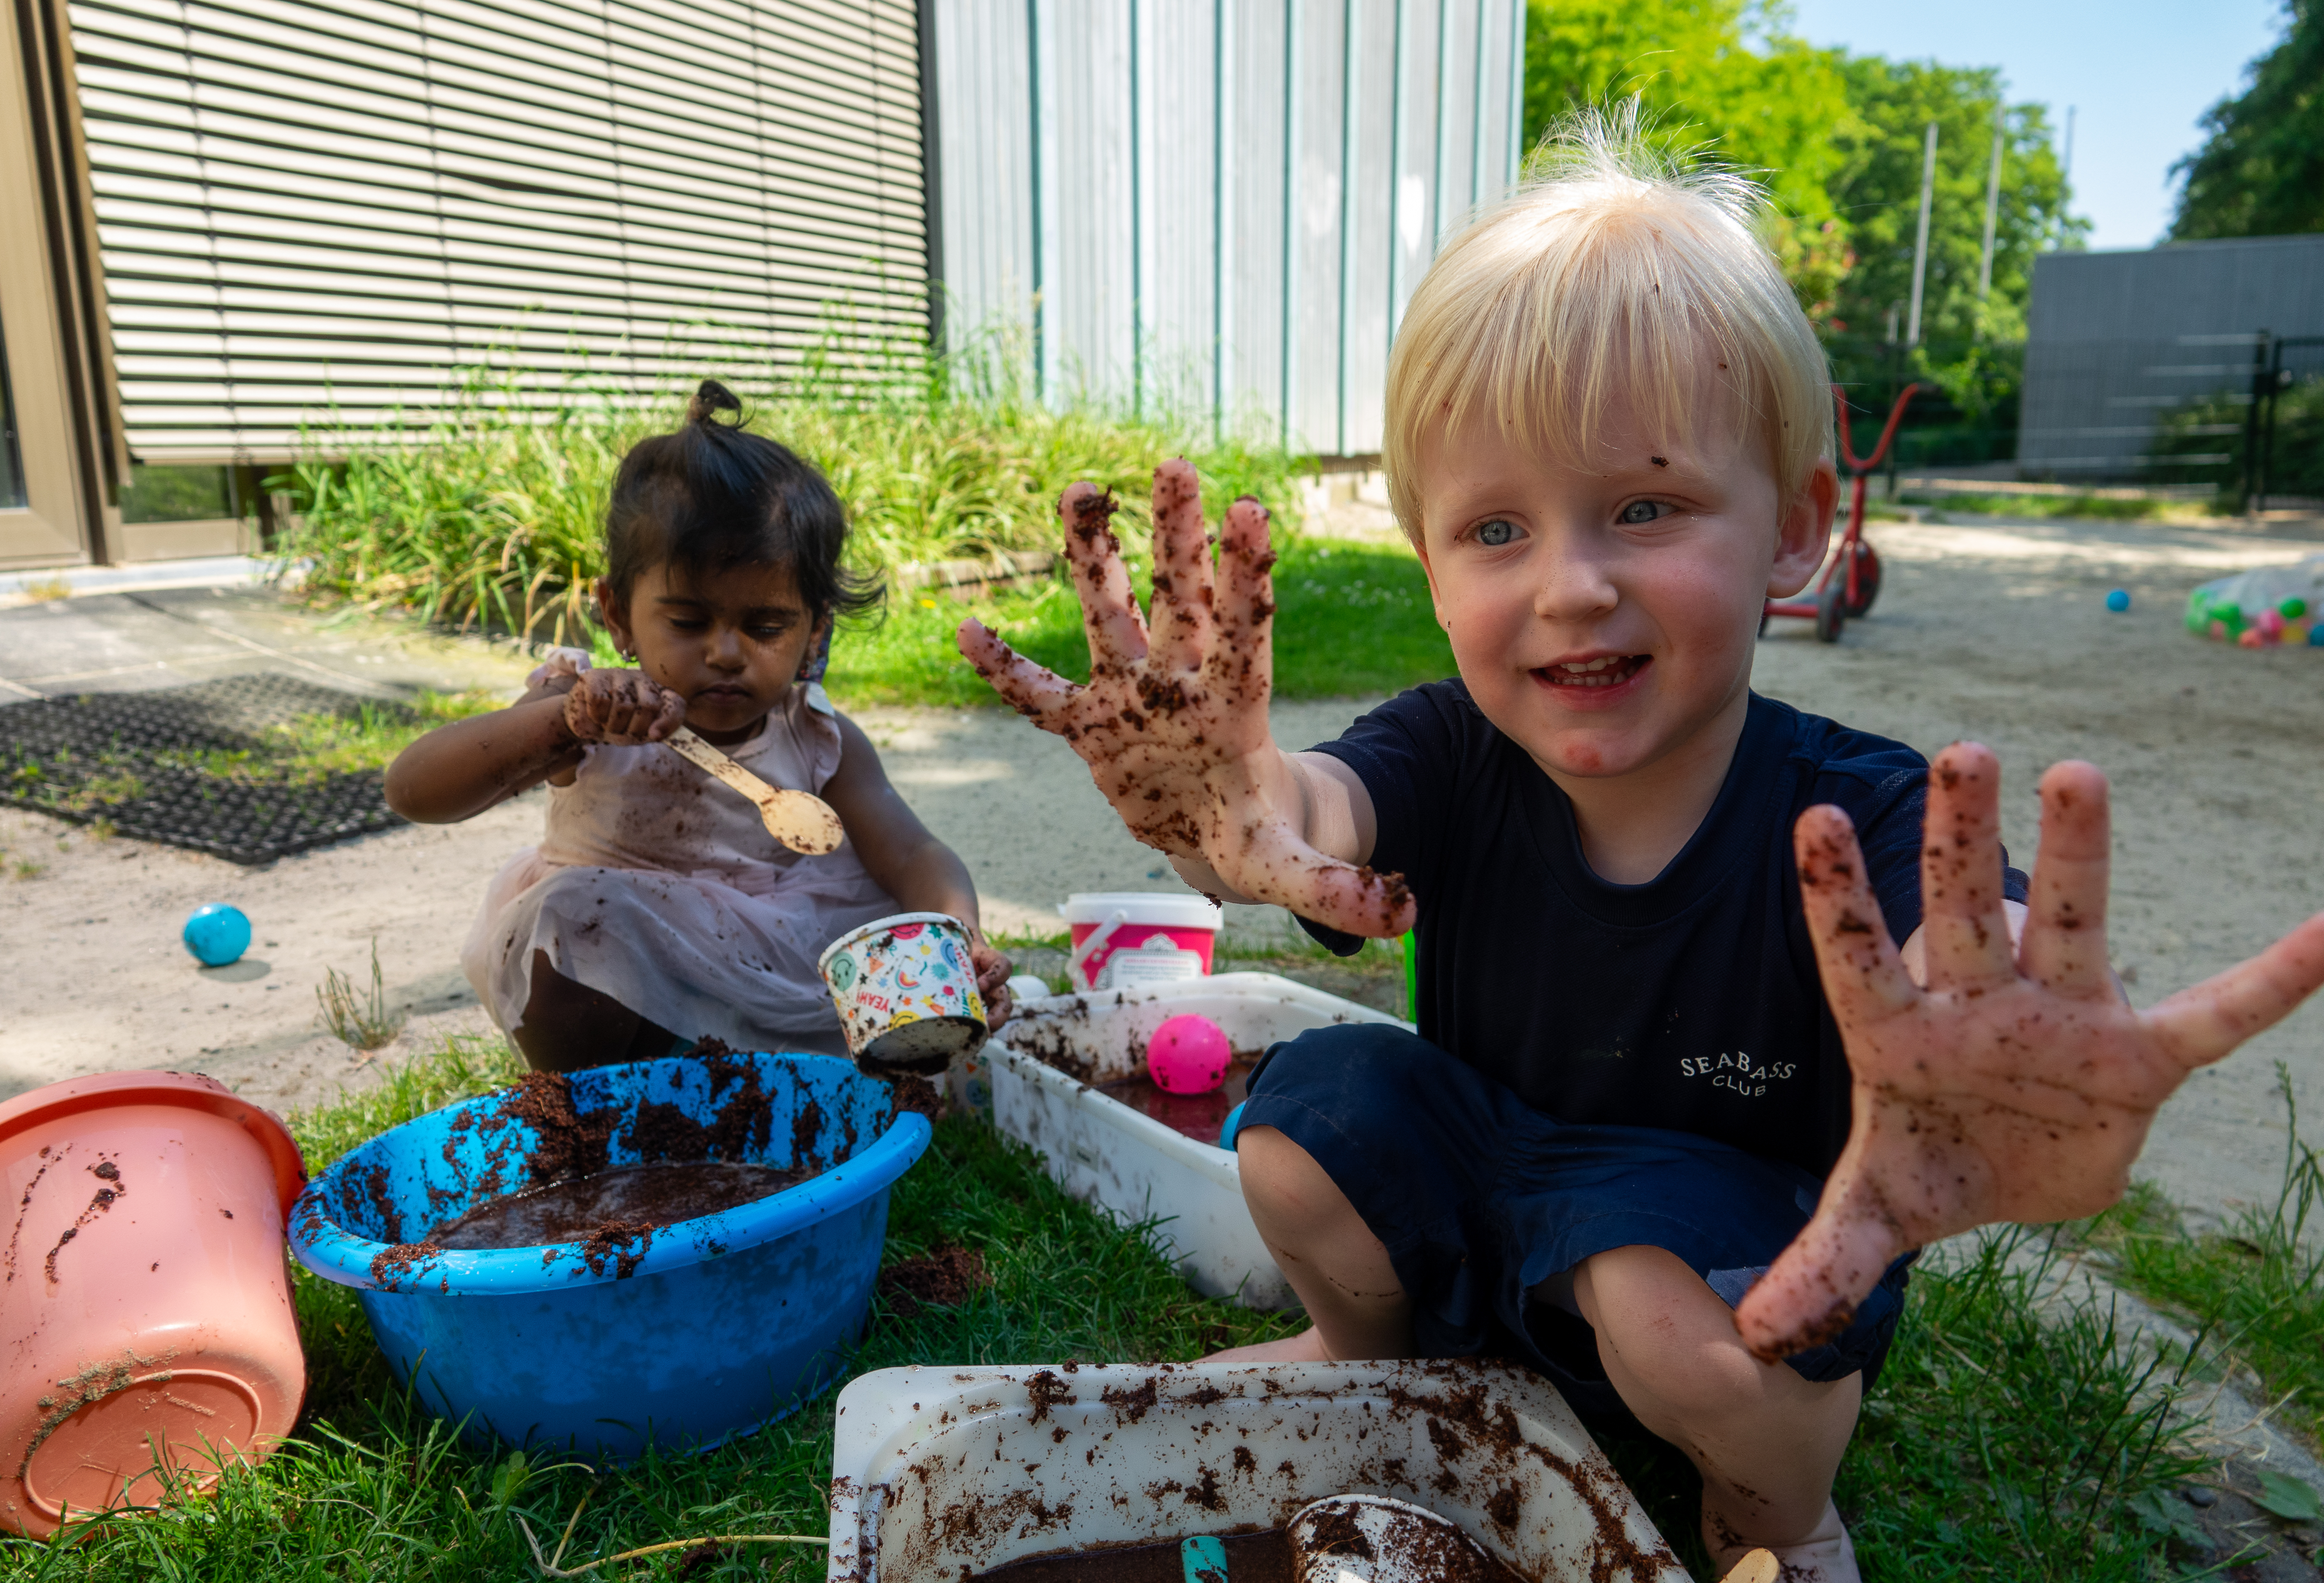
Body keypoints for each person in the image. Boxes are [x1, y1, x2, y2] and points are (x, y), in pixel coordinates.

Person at [957, 115, 2324, 1582]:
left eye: (1647, 506)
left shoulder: (1847, 812)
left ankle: (1778, 1509)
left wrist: (1994, 1042)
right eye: (1496, 528)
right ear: (1430, 566)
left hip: (1740, 1262)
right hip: (1507, 1177)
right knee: (1304, 1111)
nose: (1572, 584)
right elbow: (1320, 808)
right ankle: (1367, 1354)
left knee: (1643, 1279)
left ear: (1795, 531)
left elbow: (1961, 938)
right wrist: (1242, 817)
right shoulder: (1451, 745)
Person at [388, 379, 1010, 1072]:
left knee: (893, 978)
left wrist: (960, 939)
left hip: (765, 965)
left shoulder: (816, 736)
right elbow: (416, 791)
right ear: (619, 613)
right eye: (687, 622)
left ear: (815, 634)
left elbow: (915, 856)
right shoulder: (581, 705)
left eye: (765, 626)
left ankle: (771, 1081)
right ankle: (593, 1111)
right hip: (616, 968)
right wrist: (564, 725)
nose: (723, 652)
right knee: (570, 914)